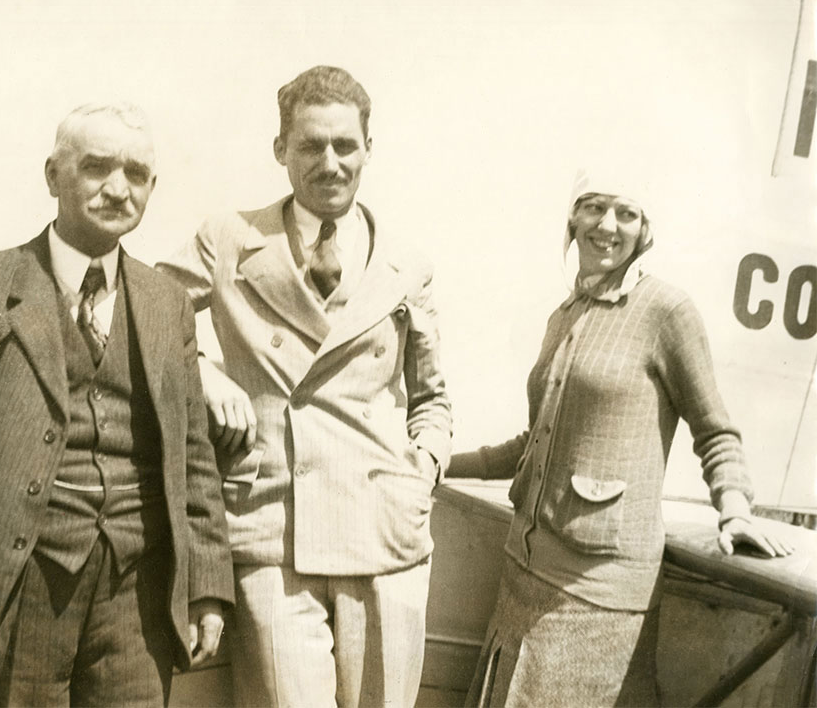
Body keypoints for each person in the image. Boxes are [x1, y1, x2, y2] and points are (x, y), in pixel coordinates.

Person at [0, 102, 235, 707]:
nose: (117, 189)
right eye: (96, 167)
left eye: (136, 174)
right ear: (53, 175)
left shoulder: (167, 302)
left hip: (140, 594)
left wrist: (205, 588)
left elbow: (194, 460)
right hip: (20, 585)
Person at [157, 65, 452, 707]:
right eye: (311, 145)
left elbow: (431, 397)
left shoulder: (407, 263)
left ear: (368, 148)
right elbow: (151, 315)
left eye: (345, 145)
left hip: (386, 533)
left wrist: (422, 467)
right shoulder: (230, 239)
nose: (330, 162)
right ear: (280, 150)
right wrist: (203, 372)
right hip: (274, 530)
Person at [448, 168, 794, 708]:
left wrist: (735, 511)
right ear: (572, 217)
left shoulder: (666, 311)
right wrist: (440, 462)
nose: (608, 225)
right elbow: (531, 445)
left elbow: (715, 429)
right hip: (523, 575)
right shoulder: (562, 316)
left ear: (644, 230)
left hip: (600, 594)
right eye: (594, 207)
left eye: (626, 213)